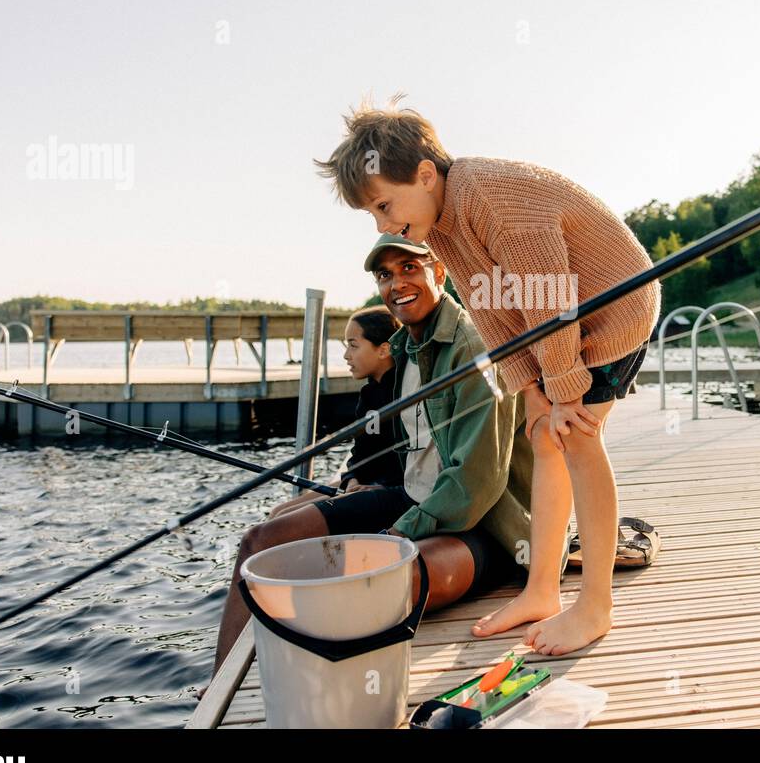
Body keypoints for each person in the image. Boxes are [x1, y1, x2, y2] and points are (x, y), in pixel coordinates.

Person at [317, 100, 661, 656]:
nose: (383, 225)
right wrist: (529, 387)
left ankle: (596, 605)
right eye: (373, 216)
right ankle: (542, 590)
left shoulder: (494, 198)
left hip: (611, 309)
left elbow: (547, 296)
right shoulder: (439, 225)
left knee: (576, 439)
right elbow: (494, 310)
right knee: (542, 438)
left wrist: (565, 389)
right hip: (555, 317)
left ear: (425, 174)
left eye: (384, 206)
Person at [211, 237, 536, 674]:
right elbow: (407, 448)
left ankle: (326, 687)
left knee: (386, 580)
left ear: (438, 273)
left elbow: (476, 483)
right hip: (411, 498)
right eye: (385, 274)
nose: (397, 282)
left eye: (409, 268)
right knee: (261, 541)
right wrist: (361, 488)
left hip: (482, 522)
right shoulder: (404, 350)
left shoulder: (474, 347)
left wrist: (392, 535)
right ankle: (221, 685)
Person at [265, 305, 404, 521]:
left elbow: (407, 459)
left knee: (285, 521)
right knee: (277, 513)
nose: (346, 355)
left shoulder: (403, 392)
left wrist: (376, 485)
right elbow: (360, 452)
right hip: (360, 483)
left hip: (385, 489)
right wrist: (352, 479)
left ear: (383, 350)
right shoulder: (369, 394)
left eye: (353, 346)